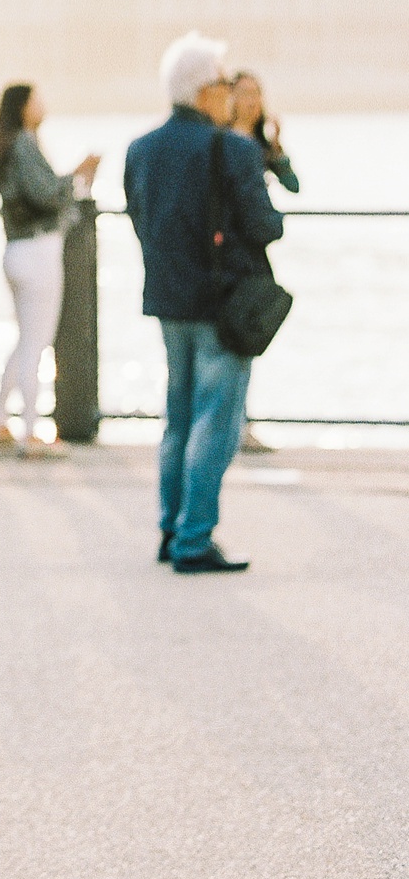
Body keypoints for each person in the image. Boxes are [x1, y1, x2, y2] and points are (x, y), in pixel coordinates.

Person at [124, 31, 284, 575]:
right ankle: (195, 538)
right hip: (221, 304)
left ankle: (171, 530)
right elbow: (265, 226)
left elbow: (139, 221)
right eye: (222, 82)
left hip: (169, 300)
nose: (228, 94)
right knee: (216, 422)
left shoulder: (140, 149)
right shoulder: (232, 148)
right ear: (203, 90)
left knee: (179, 419)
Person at [0, 84, 100, 454]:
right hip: (38, 250)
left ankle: (2, 422)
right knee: (37, 341)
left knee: (24, 340)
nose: (43, 105)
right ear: (22, 108)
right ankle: (29, 432)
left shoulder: (5, 145)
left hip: (16, 249)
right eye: (36, 100)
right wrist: (79, 174)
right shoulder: (24, 143)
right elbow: (46, 193)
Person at [229, 70, 294, 452]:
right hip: (233, 252)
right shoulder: (223, 142)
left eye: (257, 93)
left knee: (248, 334)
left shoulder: (257, 143)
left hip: (254, 254)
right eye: (245, 93)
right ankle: (235, 423)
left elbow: (293, 184)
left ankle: (241, 421)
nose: (252, 101)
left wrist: (278, 147)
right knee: (233, 338)